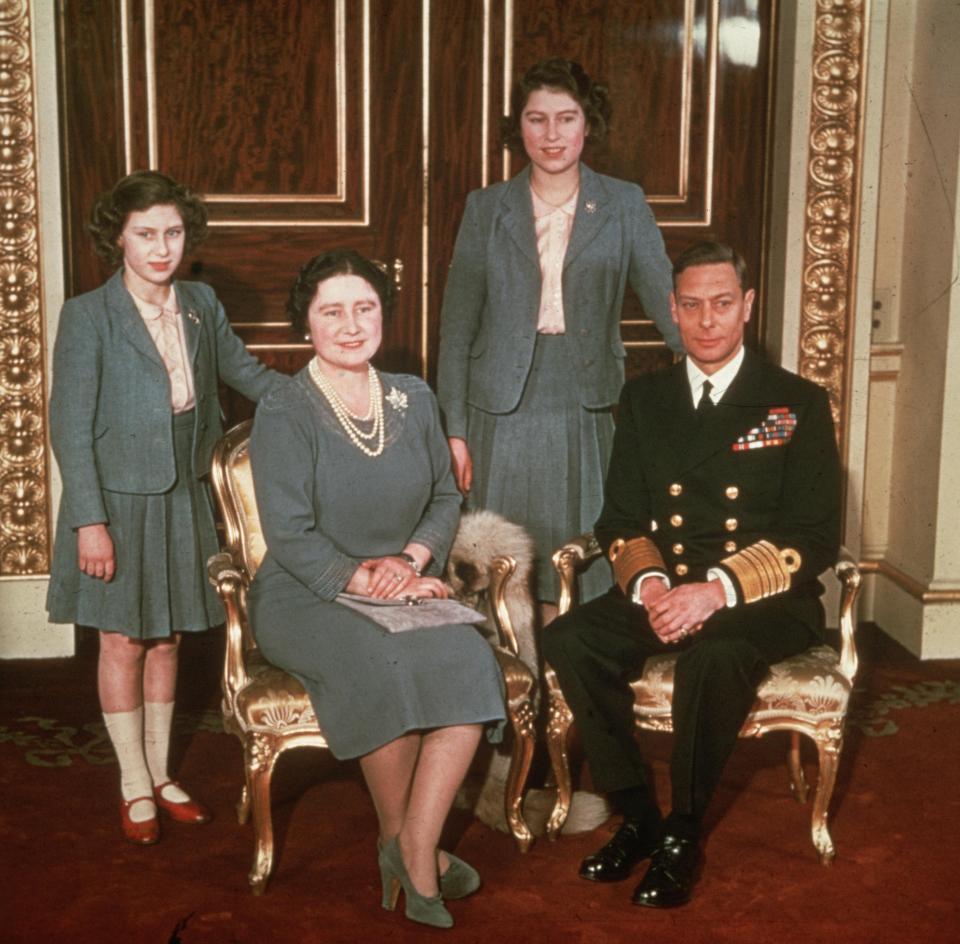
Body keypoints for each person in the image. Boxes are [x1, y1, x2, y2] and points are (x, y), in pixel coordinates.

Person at [542, 241, 842, 907]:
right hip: (666, 585)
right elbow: (619, 517)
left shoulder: (793, 403)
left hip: (762, 597)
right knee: (569, 637)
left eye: (723, 304)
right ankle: (637, 814)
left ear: (748, 307)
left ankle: (681, 833)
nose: (708, 321)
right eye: (692, 305)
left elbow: (814, 535)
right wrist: (652, 588)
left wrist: (715, 592)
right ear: (673, 312)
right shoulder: (645, 399)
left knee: (716, 657)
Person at [248, 250, 506, 930]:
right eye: (332, 311)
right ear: (307, 323)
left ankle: (411, 843)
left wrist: (412, 559)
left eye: (364, 307)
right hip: (308, 593)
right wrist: (364, 576)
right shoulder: (286, 407)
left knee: (468, 657)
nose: (351, 323)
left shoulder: (413, 397)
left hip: (402, 579)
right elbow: (290, 532)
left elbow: (445, 499)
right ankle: (411, 852)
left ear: (383, 316)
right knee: (382, 662)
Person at [46, 170, 287, 845]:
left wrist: (320, 393)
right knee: (123, 639)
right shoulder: (88, 315)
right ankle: (131, 780)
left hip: (183, 492)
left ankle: (160, 772)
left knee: (172, 636)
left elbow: (245, 374)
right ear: (117, 238)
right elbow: (69, 426)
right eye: (146, 234)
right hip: (118, 503)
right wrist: (88, 520)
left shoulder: (202, 303)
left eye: (173, 233)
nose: (161, 247)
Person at [437, 57, 683, 622]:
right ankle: (509, 701)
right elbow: (456, 330)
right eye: (537, 119)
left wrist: (719, 377)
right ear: (517, 126)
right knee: (498, 574)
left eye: (566, 119)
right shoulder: (486, 208)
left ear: (588, 124)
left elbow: (671, 312)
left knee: (579, 568)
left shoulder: (622, 204)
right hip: (496, 412)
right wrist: (453, 431)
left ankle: (572, 698)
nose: (552, 135)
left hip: (585, 406)